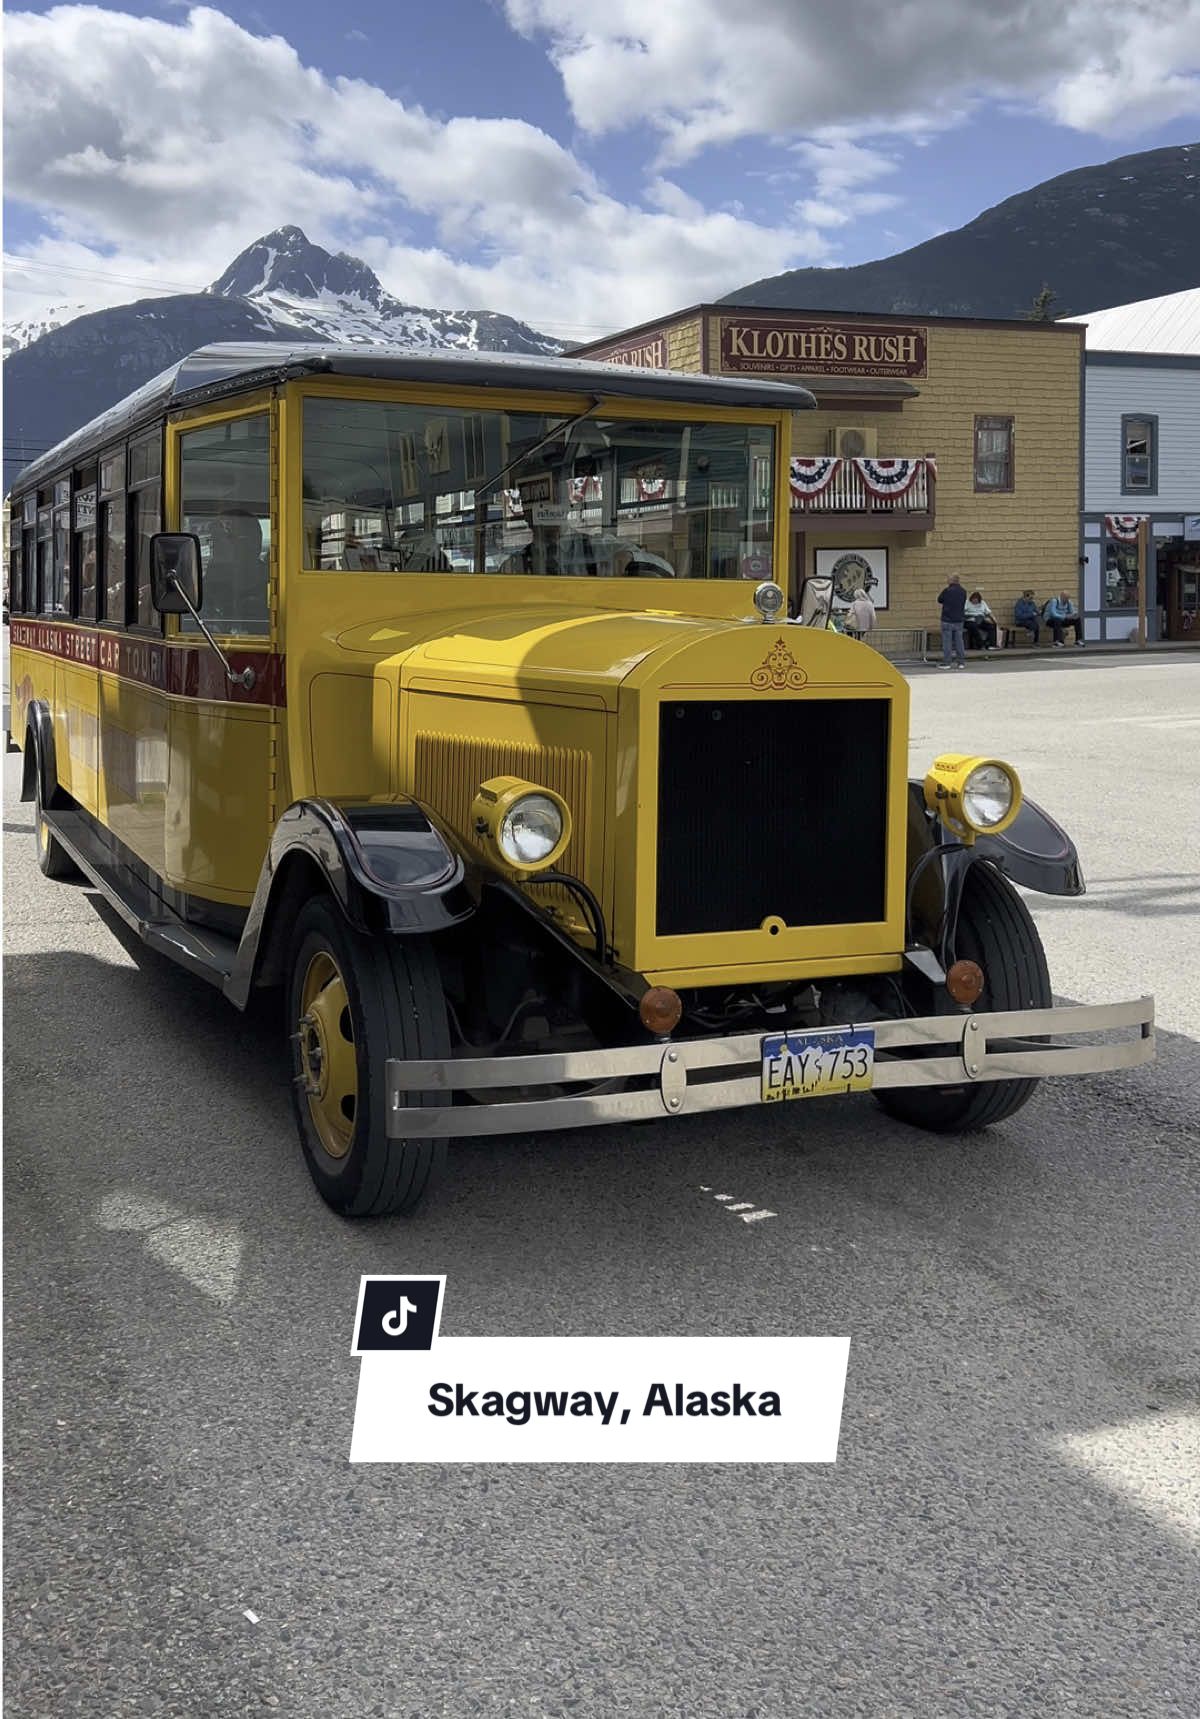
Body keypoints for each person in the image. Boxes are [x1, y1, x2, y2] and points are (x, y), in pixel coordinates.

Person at [937, 573, 967, 669]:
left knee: (947, 642)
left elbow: (939, 599)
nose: (947, 580)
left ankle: (947, 663)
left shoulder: (947, 590)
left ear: (952, 580)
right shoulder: (963, 591)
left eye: (948, 579)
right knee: (959, 642)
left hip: (947, 619)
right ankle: (961, 663)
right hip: (959, 620)